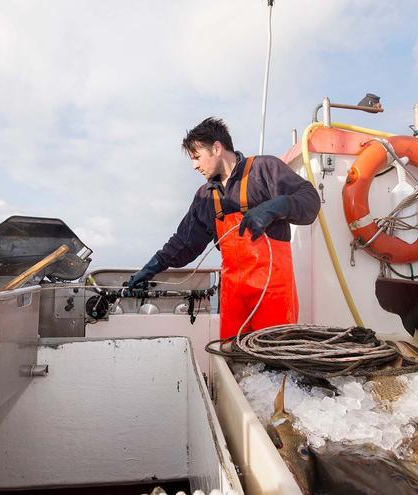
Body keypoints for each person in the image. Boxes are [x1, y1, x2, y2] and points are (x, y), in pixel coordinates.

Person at [128, 117, 320, 338]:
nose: (194, 166)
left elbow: (310, 201)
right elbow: (183, 242)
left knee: (274, 358)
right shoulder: (205, 196)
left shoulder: (264, 168)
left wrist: (276, 206)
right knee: (232, 355)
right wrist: (151, 267)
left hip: (273, 294)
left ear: (217, 148)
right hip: (233, 297)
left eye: (197, 157)